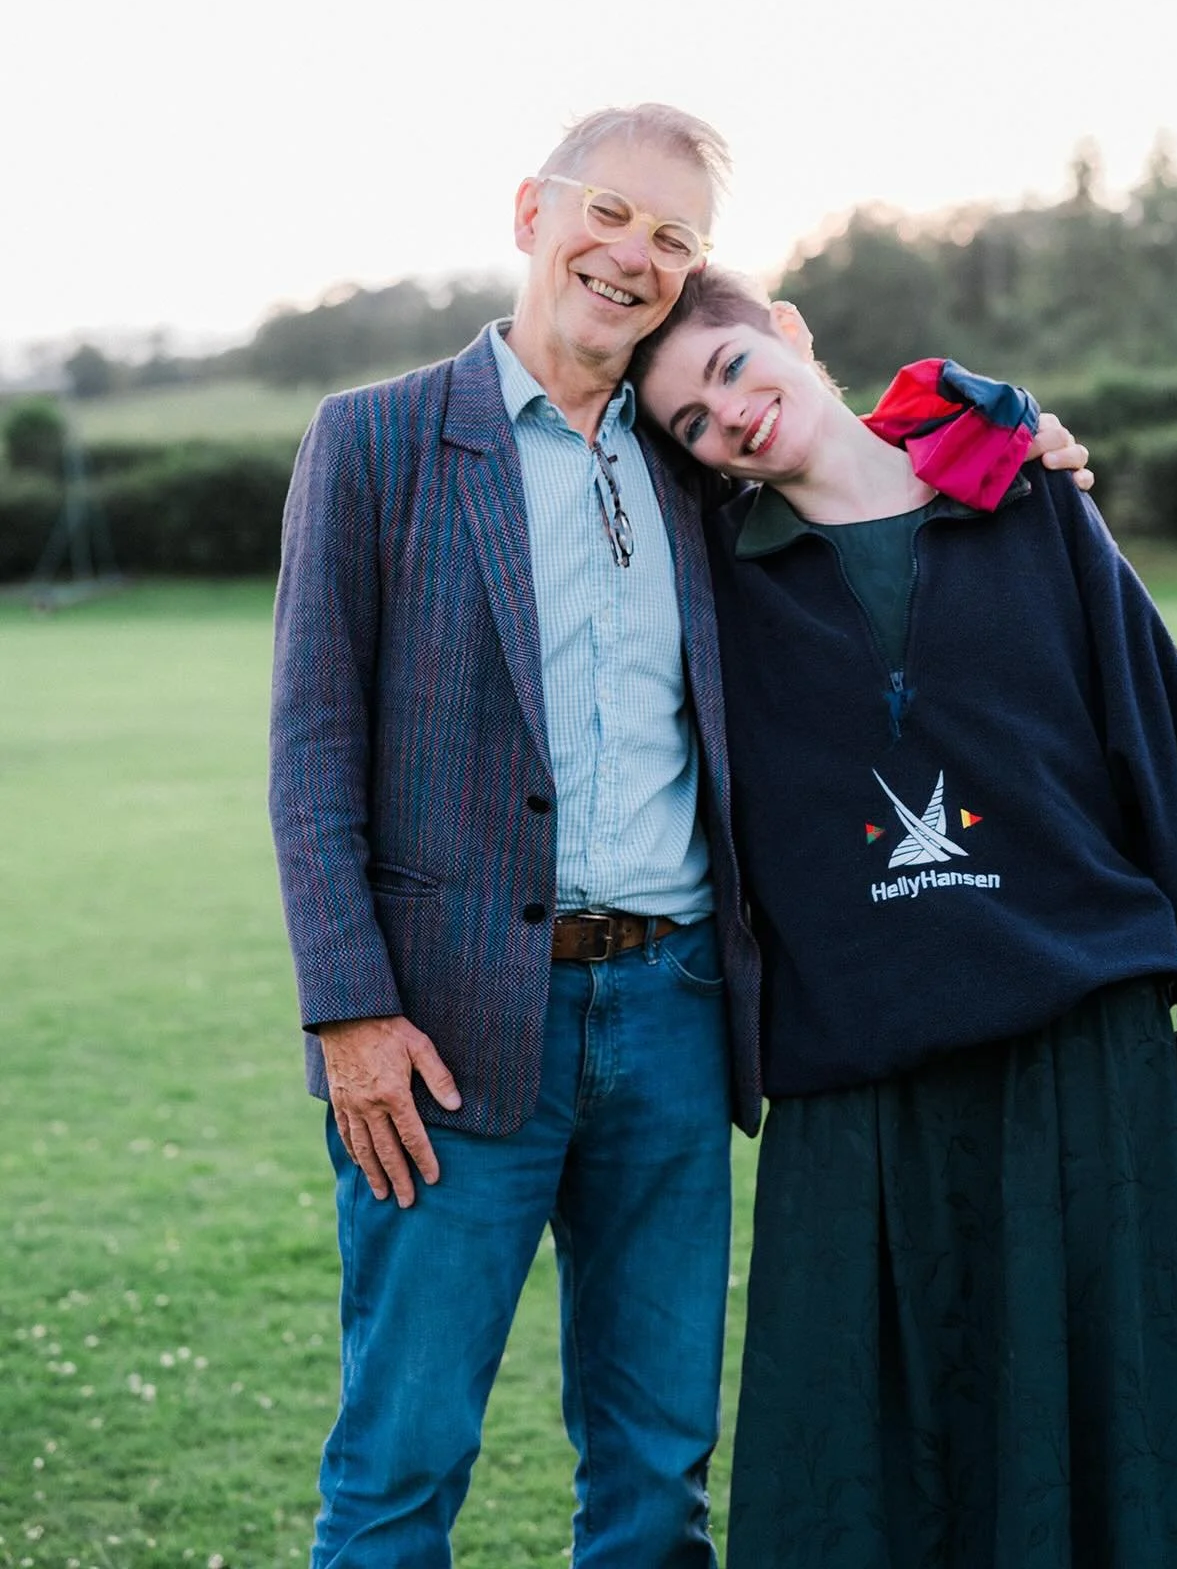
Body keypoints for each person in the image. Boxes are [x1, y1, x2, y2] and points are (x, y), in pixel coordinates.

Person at [268, 104, 1093, 1568]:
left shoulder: (693, 460)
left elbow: (851, 458)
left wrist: (1013, 436)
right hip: (448, 1031)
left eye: (675, 237)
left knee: (656, 1475)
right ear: (532, 211)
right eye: (609, 213)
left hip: (678, 1015)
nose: (633, 255)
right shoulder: (377, 441)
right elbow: (315, 749)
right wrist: (351, 1011)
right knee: (400, 1464)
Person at [630, 269, 1177, 1569]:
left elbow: (1160, 735)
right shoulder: (709, 584)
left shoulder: (1029, 500)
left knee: (1099, 1445)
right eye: (692, 428)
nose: (730, 420)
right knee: (852, 1473)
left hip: (1077, 1051)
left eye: (726, 371)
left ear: (786, 332)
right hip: (853, 1084)